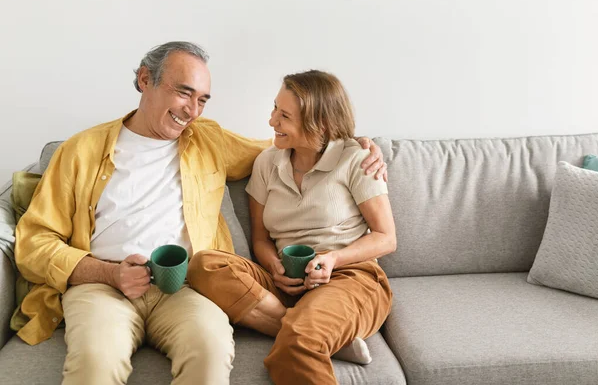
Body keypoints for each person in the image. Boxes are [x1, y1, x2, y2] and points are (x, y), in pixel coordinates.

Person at [14, 42, 387, 385]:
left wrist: (356, 145)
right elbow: (34, 243)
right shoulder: (80, 150)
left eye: (203, 100)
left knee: (210, 354)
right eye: (183, 92)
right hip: (102, 286)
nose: (191, 111)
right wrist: (110, 273)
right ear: (145, 80)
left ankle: (307, 336)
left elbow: (293, 144)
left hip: (185, 287)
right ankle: (308, 334)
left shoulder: (207, 139)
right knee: (95, 363)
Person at [188, 69, 396, 385]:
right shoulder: (268, 162)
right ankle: (320, 335)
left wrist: (332, 260)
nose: (272, 121)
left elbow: (386, 238)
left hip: (349, 277)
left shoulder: (358, 159)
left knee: (297, 345)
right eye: (275, 108)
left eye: (284, 116)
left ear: (320, 124)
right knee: (205, 265)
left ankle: (309, 334)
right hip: (285, 283)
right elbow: (260, 239)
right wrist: (274, 268)